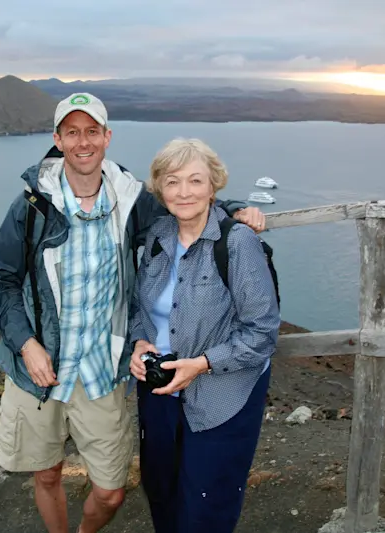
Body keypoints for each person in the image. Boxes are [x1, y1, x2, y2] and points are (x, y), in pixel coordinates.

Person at [0, 93, 266, 533]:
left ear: (107, 137)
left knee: (111, 491)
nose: (83, 142)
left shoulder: (130, 199)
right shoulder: (31, 206)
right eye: (72, 132)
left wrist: (234, 210)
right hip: (39, 368)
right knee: (47, 473)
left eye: (92, 131)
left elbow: (184, 202)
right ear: (58, 139)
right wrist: (26, 344)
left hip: (101, 369)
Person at [129, 138, 280, 533]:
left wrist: (202, 364)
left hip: (221, 397)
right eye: (172, 181)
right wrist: (138, 342)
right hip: (159, 392)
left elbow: (262, 332)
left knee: (205, 508)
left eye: (195, 181)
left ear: (213, 186)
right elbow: (139, 305)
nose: (184, 192)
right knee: (161, 493)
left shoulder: (238, 242)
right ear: (159, 189)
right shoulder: (157, 235)